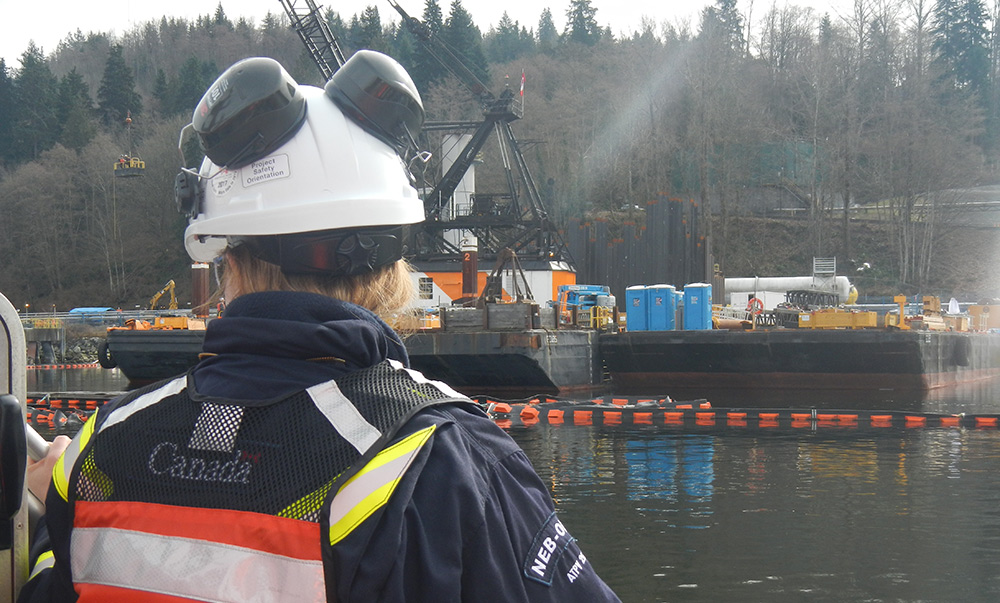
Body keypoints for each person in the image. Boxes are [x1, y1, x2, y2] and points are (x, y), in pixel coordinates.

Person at [19, 51, 619, 602]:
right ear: (395, 254)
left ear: (223, 255)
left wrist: (52, 521)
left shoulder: (99, 454)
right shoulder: (444, 464)